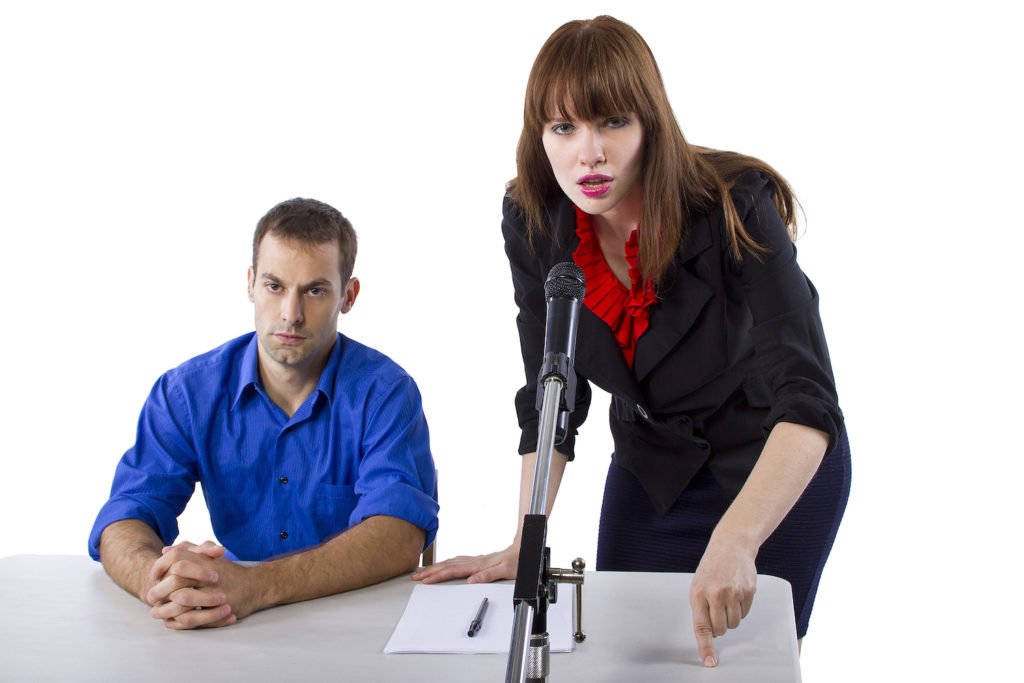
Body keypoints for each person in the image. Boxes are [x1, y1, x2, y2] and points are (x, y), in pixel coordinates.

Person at [413, 15, 850, 668]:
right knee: (623, 658)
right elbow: (550, 390)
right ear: (540, 135)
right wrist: (523, 541)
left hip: (772, 460)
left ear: (650, 124)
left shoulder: (735, 204)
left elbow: (809, 399)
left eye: (612, 122)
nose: (588, 153)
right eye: (564, 128)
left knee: (741, 663)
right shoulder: (533, 223)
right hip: (655, 464)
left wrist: (738, 537)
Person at [89, 198, 438, 630]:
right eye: (275, 286)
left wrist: (257, 585)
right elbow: (127, 514)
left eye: (314, 290)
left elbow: (399, 535)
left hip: (356, 623)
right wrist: (158, 582)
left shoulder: (385, 393)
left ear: (347, 296)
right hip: (233, 622)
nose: (290, 313)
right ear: (250, 283)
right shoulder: (186, 393)